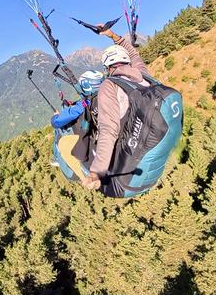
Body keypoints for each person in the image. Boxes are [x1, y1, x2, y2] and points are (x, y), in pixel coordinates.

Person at [79, 26, 151, 191]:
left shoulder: (109, 85)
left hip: (131, 145)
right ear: (127, 62)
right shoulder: (142, 73)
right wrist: (112, 35)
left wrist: (96, 173)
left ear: (107, 68)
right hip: (149, 133)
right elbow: (134, 54)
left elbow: (109, 129)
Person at [50, 70, 103, 181]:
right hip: (102, 135)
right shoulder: (108, 97)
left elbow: (57, 122)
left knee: (60, 134)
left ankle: (57, 157)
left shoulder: (83, 104)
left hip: (90, 139)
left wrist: (55, 117)